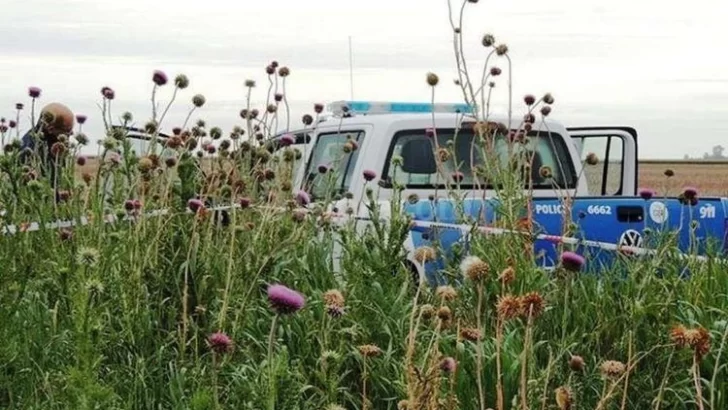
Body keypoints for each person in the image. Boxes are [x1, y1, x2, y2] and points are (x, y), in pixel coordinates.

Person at [19, 102, 75, 193]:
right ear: (50, 129)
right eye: (67, 131)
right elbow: (30, 192)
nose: (70, 135)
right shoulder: (30, 151)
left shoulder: (51, 145)